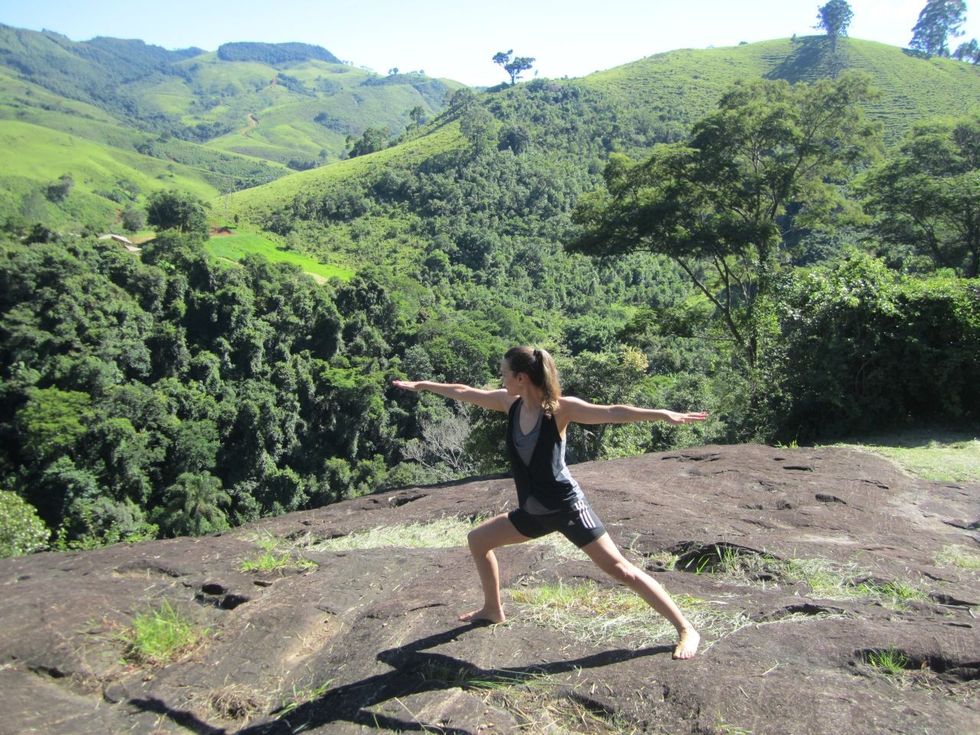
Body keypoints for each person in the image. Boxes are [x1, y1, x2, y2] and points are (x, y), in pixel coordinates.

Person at [393, 346, 708, 660]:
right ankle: (492, 609)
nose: (500, 379)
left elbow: (613, 412)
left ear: (521, 377)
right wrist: (423, 386)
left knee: (622, 570)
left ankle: (685, 628)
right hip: (532, 513)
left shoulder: (560, 410)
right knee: (478, 540)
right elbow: (463, 391)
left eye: (504, 373)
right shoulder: (510, 403)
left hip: (567, 510)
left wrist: (662, 415)